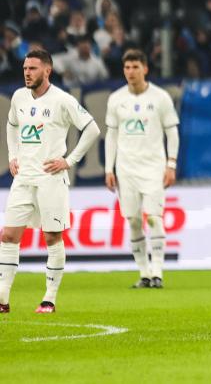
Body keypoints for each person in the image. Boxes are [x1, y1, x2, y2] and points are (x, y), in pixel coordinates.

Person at [0, 48, 100, 314]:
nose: (27, 73)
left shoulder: (62, 100)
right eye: (24, 69)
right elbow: (11, 125)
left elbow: (92, 128)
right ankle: (2, 299)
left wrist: (69, 160)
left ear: (47, 70)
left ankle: (49, 299)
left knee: (52, 237)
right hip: (23, 178)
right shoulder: (19, 97)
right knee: (8, 235)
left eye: (32, 68)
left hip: (51, 180)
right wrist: (13, 155)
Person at [104, 49, 180, 289]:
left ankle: (157, 271)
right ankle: (144, 273)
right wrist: (109, 169)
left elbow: (172, 131)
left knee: (155, 218)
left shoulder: (160, 97)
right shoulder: (116, 99)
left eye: (135, 67)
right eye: (127, 68)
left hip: (154, 167)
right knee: (134, 221)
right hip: (126, 169)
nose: (131, 72)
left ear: (145, 68)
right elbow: (111, 135)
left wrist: (171, 164)